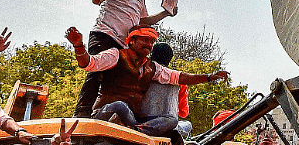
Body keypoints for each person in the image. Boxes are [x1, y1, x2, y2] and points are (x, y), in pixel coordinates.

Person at [65, 27, 227, 136]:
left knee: (172, 120)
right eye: (145, 40)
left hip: (132, 120)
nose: (149, 44)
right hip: (108, 113)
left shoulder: (152, 68)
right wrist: (79, 45)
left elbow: (179, 77)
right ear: (132, 41)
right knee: (120, 105)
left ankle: (137, 131)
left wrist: (209, 77)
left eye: (151, 42)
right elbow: (88, 63)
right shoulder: (115, 55)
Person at [74, 0, 174, 117]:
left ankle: (101, 113)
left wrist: (165, 13)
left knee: (115, 81)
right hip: (104, 34)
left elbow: (143, 21)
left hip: (123, 44)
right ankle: (82, 112)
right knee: (97, 73)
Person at [138, 43, 190, 144]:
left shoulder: (140, 71)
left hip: (138, 120)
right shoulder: (179, 80)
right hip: (166, 127)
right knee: (187, 124)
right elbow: (184, 113)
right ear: (169, 60)